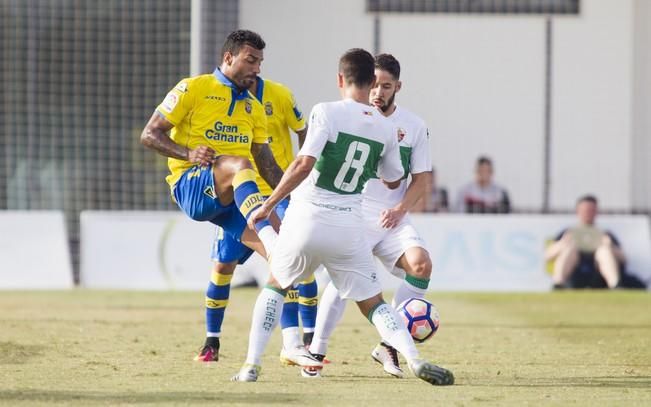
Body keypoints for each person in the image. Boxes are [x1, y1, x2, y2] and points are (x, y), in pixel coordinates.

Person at [231, 48, 454, 386]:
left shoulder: (325, 111)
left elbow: (304, 164)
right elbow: (393, 175)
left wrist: (269, 203)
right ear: (370, 82)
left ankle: (251, 366)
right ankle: (414, 358)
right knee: (374, 304)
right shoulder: (386, 127)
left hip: (309, 217)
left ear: (340, 79)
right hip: (349, 226)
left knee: (276, 286)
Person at [307, 53, 437, 379]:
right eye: (375, 85)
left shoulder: (414, 126)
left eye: (387, 86)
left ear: (398, 87)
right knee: (342, 281)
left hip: (393, 218)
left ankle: (387, 346)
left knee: (421, 265)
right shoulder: (352, 117)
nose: (379, 92)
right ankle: (316, 352)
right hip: (356, 212)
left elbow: (421, 179)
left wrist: (400, 209)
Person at [140, 30, 282, 292]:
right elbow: (149, 134)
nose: (257, 68)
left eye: (260, 62)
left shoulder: (254, 107)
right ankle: (269, 237)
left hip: (234, 200)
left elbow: (267, 165)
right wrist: (188, 153)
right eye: (251, 60)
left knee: (286, 260)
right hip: (192, 185)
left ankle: (297, 335)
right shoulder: (193, 88)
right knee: (239, 163)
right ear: (229, 57)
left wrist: (295, 197)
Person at [196, 74, 319, 364]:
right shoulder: (223, 98)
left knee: (292, 264)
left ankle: (305, 339)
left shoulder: (281, 96)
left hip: (279, 195)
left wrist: (303, 168)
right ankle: (211, 341)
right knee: (222, 266)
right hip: (241, 194)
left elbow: (305, 131)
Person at [545, 195, 625, 289]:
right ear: (578, 211)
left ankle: (615, 286)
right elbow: (548, 255)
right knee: (569, 249)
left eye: (591, 210)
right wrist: (563, 243)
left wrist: (610, 246)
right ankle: (558, 285)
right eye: (585, 210)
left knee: (604, 251)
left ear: (596, 212)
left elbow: (624, 259)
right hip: (574, 275)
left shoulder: (605, 234)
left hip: (598, 276)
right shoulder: (568, 232)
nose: (588, 213)